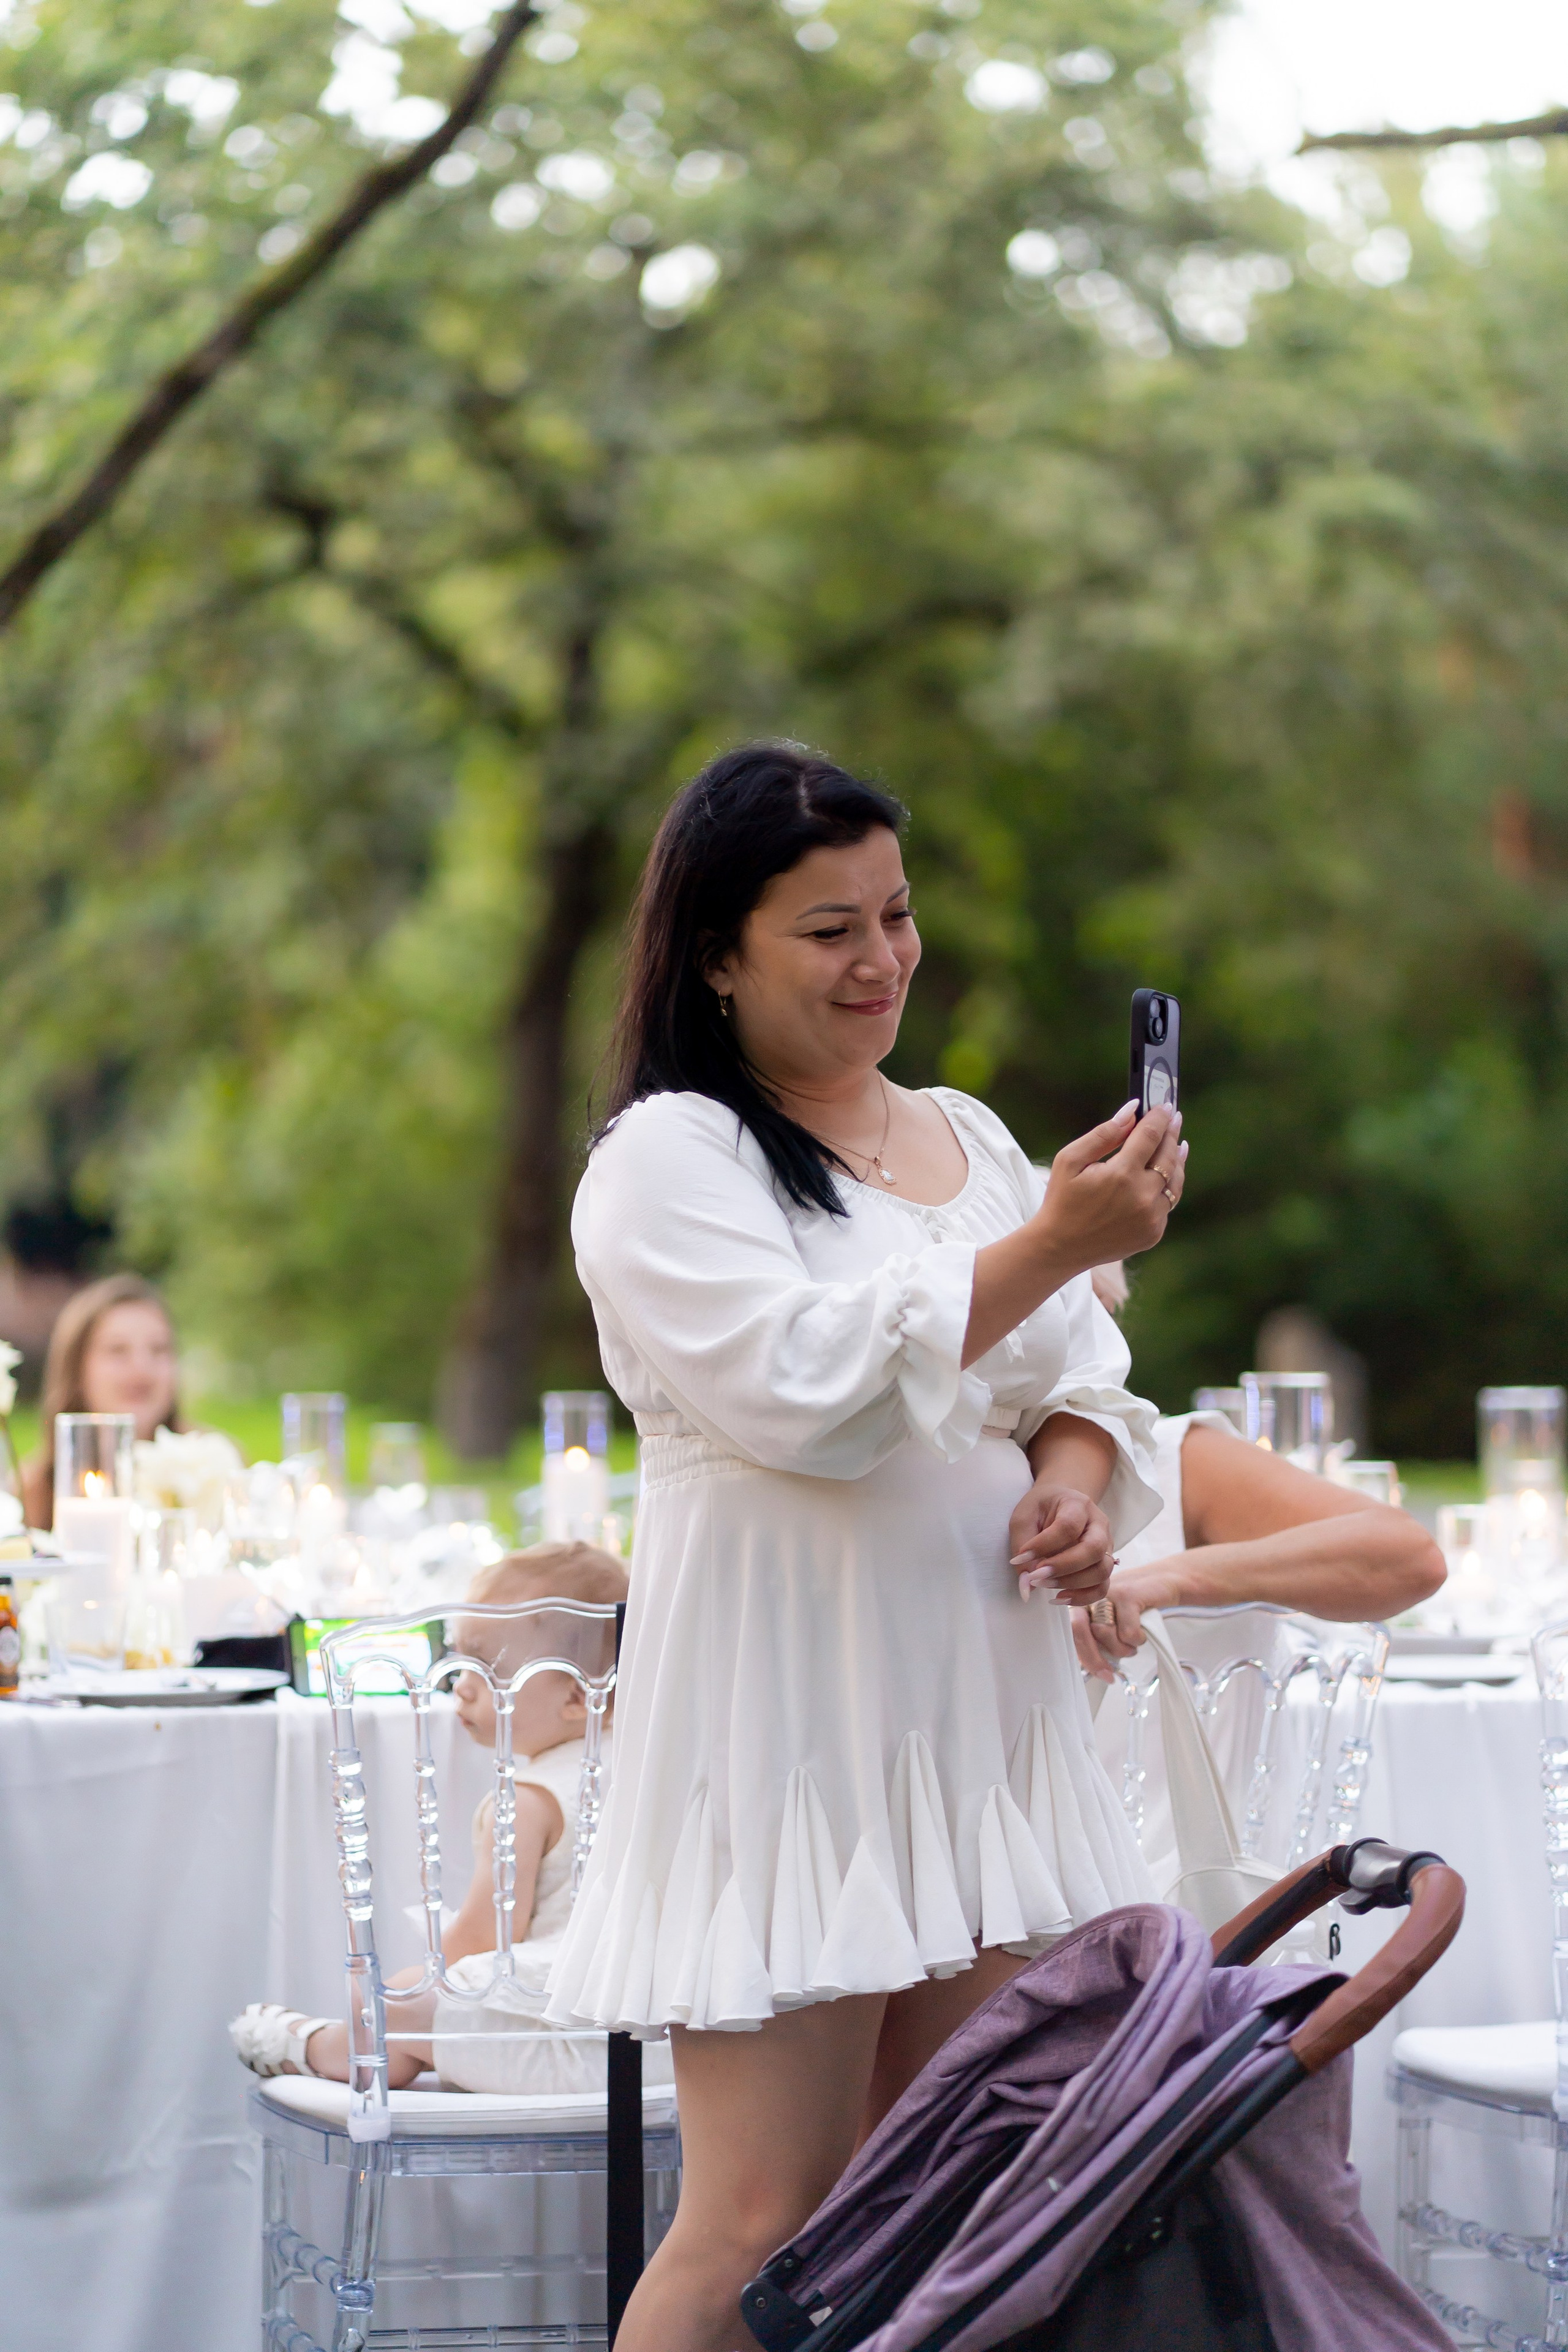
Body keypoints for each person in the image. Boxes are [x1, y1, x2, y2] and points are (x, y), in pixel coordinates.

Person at [540, 742, 1187, 2352]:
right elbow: (804, 1389)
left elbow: (1079, 1376)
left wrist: (1075, 1480)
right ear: (715, 951)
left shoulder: (962, 1133)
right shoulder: (668, 1159)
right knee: (765, 2214)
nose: (883, 959)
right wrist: (1052, 1240)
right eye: (829, 930)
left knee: (970, 2196)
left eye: (895, 916)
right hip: (793, 1721)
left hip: (981, 1721)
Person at [230, 1541, 636, 2089]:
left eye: (488, 1667)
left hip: (550, 2028)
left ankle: (316, 2044)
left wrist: (410, 1980)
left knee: (398, 2004)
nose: (461, 1685)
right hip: (637, 2022)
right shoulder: (637, 1769)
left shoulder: (531, 1798)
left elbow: (488, 1932)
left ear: (573, 1696)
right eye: (459, 1659)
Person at [21, 1273, 182, 1529]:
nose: (142, 1368)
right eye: (118, 1350)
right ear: (77, 1368)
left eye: (159, 1349)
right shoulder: (26, 1493)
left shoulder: (213, 1473)